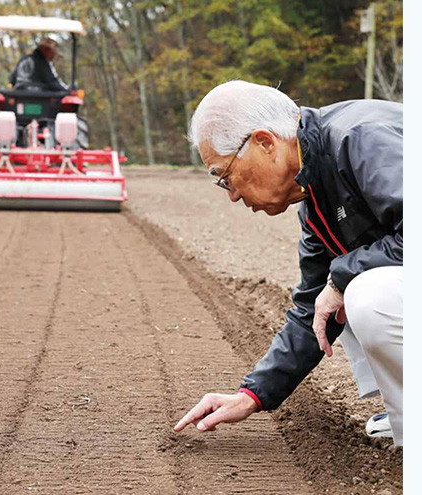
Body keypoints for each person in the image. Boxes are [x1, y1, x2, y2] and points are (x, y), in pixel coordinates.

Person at [173, 80, 403, 446]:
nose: (232, 194)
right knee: (333, 299)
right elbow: (311, 308)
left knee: (363, 292)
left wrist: (342, 278)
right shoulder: (315, 198)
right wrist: (252, 394)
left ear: (265, 143)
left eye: (226, 175)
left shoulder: (359, 139)